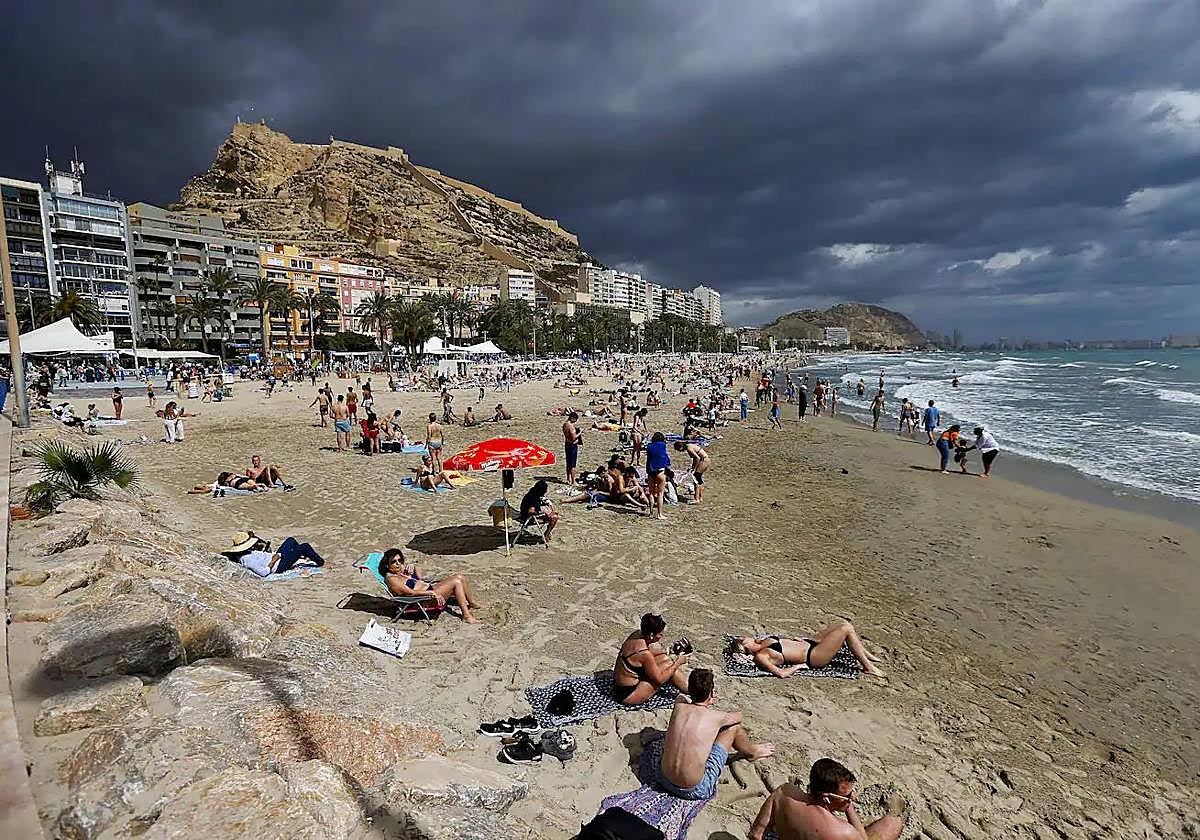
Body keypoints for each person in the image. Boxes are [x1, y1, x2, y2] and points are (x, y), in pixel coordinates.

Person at [655, 669, 774, 800]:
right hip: (694, 789)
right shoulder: (717, 717)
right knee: (734, 728)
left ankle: (750, 752)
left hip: (664, 779)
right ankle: (752, 752)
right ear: (710, 693)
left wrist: (702, 696)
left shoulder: (679, 705)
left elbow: (682, 697)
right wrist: (709, 701)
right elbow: (738, 717)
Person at [748, 758, 905, 840]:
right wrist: (849, 808)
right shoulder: (843, 832)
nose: (853, 798)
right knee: (892, 822)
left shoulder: (784, 792)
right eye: (847, 795)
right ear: (827, 798)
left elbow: (756, 834)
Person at [731, 620, 885, 677]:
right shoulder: (761, 656)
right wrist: (798, 666)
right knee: (846, 629)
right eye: (745, 639)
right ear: (746, 646)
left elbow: (785, 643)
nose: (748, 637)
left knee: (842, 623)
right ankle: (868, 666)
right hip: (815, 656)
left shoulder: (761, 641)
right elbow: (782, 673)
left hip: (810, 642)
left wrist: (796, 640)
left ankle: (865, 654)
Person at [379, 547, 480, 623]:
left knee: (460, 577)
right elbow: (410, 593)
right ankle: (466, 616)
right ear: (387, 565)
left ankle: (471, 603)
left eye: (400, 560)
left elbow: (421, 577)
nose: (398, 564)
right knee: (456, 582)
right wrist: (432, 592)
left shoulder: (399, 572)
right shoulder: (392, 579)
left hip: (429, 590)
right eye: (394, 562)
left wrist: (414, 567)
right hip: (423, 599)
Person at [613, 613, 690, 704]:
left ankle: (693, 689)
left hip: (619, 685)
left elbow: (638, 656)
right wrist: (678, 662)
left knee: (665, 658)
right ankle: (696, 692)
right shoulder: (644, 654)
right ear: (651, 635)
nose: (662, 637)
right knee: (669, 666)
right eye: (660, 634)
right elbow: (660, 679)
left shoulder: (636, 635)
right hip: (629, 694)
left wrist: (666, 651)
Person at [223, 531, 325, 577]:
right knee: (305, 546)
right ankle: (320, 562)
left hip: (277, 557)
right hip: (278, 565)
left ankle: (298, 555)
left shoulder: (248, 552)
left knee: (290, 540)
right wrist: (273, 560)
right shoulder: (247, 559)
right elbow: (263, 573)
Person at [517, 478, 559, 542]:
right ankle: (546, 534)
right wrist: (542, 514)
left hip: (523, 513)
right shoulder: (534, 499)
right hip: (528, 518)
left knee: (553, 513)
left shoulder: (533, 492)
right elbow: (531, 511)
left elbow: (544, 501)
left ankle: (547, 532)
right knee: (554, 517)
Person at [645, 431, 670, 520]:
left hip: (650, 472)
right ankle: (659, 514)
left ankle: (651, 512)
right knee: (660, 494)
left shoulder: (649, 446)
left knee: (651, 493)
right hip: (660, 472)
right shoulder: (662, 445)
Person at [563, 411, 581, 485]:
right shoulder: (570, 426)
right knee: (573, 464)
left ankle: (568, 479)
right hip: (572, 445)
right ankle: (573, 481)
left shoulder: (565, 424)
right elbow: (573, 438)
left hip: (567, 444)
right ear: (572, 418)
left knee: (568, 462)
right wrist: (580, 433)